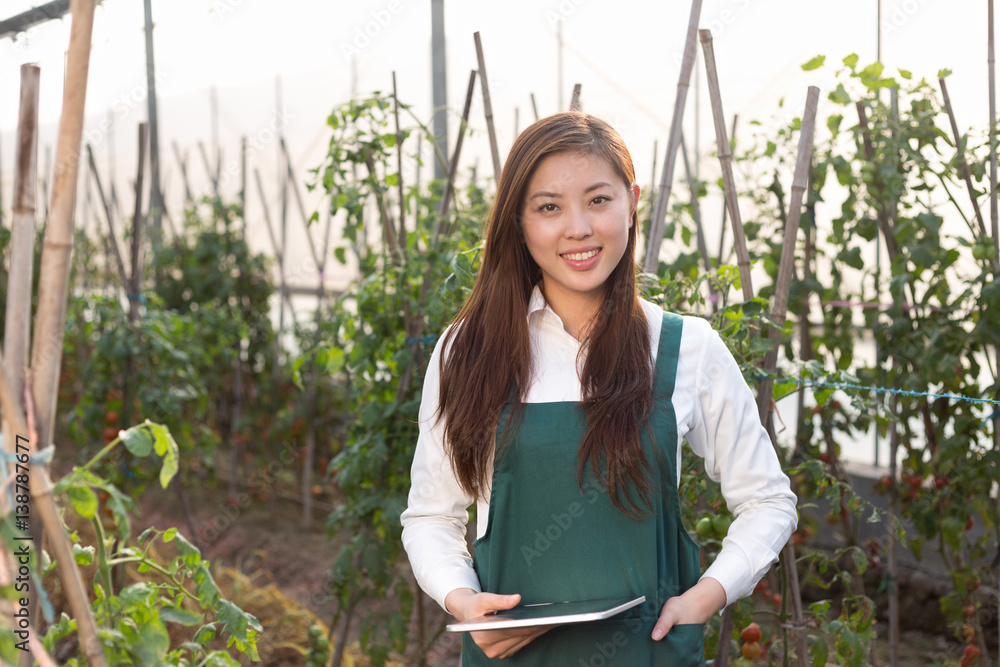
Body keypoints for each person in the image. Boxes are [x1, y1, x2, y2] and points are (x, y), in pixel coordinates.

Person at [400, 111, 797, 665]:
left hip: (648, 654)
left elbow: (767, 500)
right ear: (518, 222)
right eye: (548, 207)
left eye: (598, 200)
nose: (578, 228)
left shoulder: (686, 349)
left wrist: (705, 597)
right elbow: (431, 516)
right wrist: (462, 599)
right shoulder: (467, 352)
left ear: (632, 202)